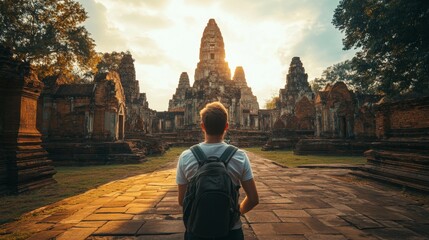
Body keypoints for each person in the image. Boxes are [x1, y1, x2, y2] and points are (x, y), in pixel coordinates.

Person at [176, 101, 259, 240]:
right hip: (231, 230)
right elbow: (253, 199)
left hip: (197, 228)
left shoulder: (186, 157)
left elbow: (182, 200)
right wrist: (235, 213)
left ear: (202, 126)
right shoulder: (239, 156)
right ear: (227, 126)